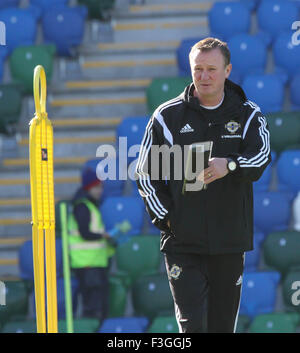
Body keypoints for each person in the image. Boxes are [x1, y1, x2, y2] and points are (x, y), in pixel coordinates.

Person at [135, 37, 271, 333]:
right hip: (183, 243)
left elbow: (260, 157)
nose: (204, 76)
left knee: (222, 327)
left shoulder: (248, 114)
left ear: (227, 70)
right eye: (198, 69)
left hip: (229, 243)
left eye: (212, 69)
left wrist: (230, 165)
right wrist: (168, 218)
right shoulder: (167, 117)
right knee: (192, 327)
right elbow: (146, 173)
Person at [68, 167, 115, 323]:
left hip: (93, 262)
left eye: (101, 187)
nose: (99, 190)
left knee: (98, 305)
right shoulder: (83, 206)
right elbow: (85, 233)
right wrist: (104, 235)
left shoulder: (89, 205)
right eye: (96, 187)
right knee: (93, 308)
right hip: (87, 263)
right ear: (88, 187)